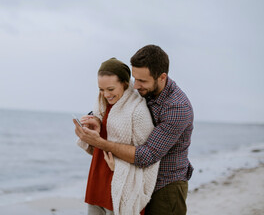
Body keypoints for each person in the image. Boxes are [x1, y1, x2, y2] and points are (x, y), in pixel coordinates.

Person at [74, 45, 194, 215]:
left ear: (162, 77)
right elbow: (115, 107)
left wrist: (101, 143)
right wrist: (95, 120)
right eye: (135, 78)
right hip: (135, 183)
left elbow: (146, 156)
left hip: (165, 187)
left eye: (142, 81)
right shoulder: (142, 90)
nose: (135, 86)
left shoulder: (176, 108)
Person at [75, 58, 159, 215]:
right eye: (101, 89)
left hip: (120, 183)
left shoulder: (138, 111)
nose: (105, 94)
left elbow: (148, 159)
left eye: (110, 89)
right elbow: (100, 142)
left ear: (125, 84)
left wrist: (119, 167)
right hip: (98, 177)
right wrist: (93, 126)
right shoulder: (101, 104)